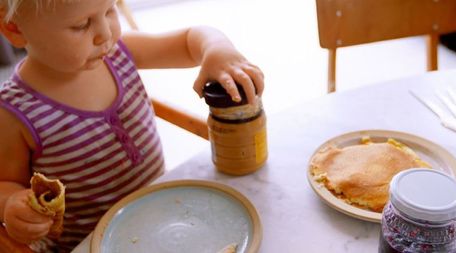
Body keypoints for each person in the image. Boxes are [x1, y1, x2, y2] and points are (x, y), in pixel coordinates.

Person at [0, 0, 264, 252]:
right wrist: (12, 204)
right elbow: (6, 182)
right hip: (86, 243)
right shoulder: (14, 112)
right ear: (14, 27)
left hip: (163, 216)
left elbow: (190, 39)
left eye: (110, 9)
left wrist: (216, 48)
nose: (105, 33)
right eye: (81, 24)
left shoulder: (118, 52)